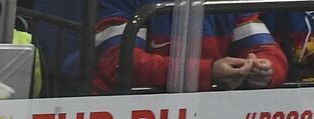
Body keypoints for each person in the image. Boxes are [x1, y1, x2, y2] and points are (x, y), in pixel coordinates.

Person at [93, 2, 287, 94]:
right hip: (129, 113)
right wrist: (209, 73)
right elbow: (119, 64)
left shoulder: (229, 3)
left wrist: (263, 70)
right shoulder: (122, 3)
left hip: (209, 114)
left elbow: (268, 52)